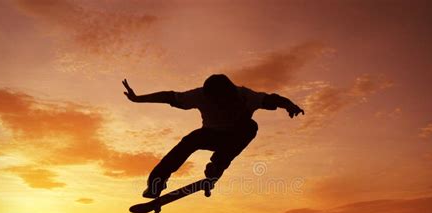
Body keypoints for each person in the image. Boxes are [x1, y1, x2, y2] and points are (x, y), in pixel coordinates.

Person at [122, 74, 304, 198]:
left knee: (250, 126)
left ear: (231, 94)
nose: (220, 103)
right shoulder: (200, 95)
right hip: (210, 134)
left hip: (234, 136)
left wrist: (289, 104)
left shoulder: (245, 96)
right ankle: (156, 183)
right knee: (188, 142)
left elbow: (273, 99)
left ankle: (217, 166)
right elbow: (169, 96)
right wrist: (138, 99)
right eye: (215, 100)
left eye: (223, 100)